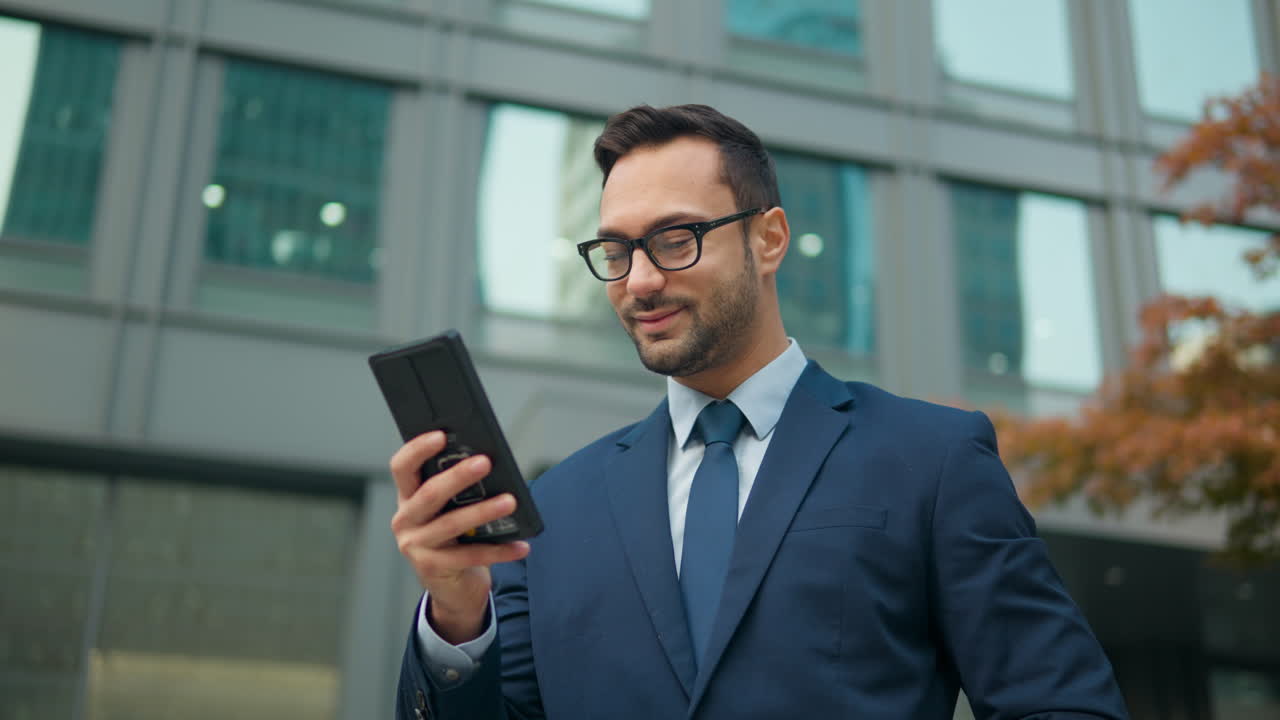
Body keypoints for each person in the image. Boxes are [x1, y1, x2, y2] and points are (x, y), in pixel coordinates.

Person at [389, 104, 1130, 719]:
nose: (640, 281)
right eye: (615, 251)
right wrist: (457, 612)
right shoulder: (554, 508)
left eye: (675, 240)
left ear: (769, 239)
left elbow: (1061, 705)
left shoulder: (930, 460)